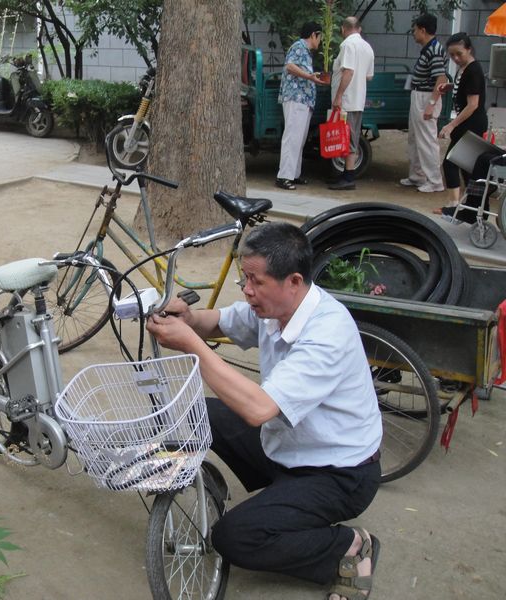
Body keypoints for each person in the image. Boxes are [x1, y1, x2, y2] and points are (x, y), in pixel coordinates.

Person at [146, 222, 382, 600]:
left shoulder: (327, 333)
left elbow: (259, 410)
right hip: (288, 444)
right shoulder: (274, 308)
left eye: (255, 281)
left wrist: (191, 344)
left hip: (339, 473)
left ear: (293, 281)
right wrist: (189, 320)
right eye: (244, 279)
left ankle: (347, 545)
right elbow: (221, 321)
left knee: (234, 538)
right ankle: (241, 494)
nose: (247, 291)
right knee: (196, 411)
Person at [436, 32, 488, 216]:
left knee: (451, 162)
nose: (456, 58)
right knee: (469, 168)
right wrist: (450, 87)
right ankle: (471, 208)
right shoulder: (465, 68)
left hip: (471, 124)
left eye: (459, 53)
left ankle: (455, 205)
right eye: (452, 55)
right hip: (468, 123)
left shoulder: (473, 70)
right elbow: (464, 88)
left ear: (469, 49)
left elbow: (473, 104)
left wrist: (451, 125)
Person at [400, 13, 448, 193]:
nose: (413, 34)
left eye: (415, 30)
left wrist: (431, 103)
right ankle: (417, 175)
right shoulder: (428, 48)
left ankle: (434, 180)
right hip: (420, 94)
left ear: (423, 30)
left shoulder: (434, 50)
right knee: (415, 138)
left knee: (427, 139)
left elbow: (440, 79)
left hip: (427, 96)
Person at [275, 22, 326, 191]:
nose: (320, 41)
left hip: (303, 100)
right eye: (320, 37)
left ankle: (294, 174)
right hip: (296, 98)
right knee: (292, 137)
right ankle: (284, 176)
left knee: (299, 139)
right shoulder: (299, 46)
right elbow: (290, 66)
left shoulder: (305, 51)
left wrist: (311, 77)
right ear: (314, 35)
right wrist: (310, 77)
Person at [328, 16, 375, 191]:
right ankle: (345, 175)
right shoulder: (367, 47)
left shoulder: (348, 45)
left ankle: (348, 177)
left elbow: (348, 71)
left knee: (347, 138)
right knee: (351, 137)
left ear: (343, 29)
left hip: (347, 100)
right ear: (359, 29)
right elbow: (369, 76)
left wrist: (339, 95)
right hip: (358, 99)